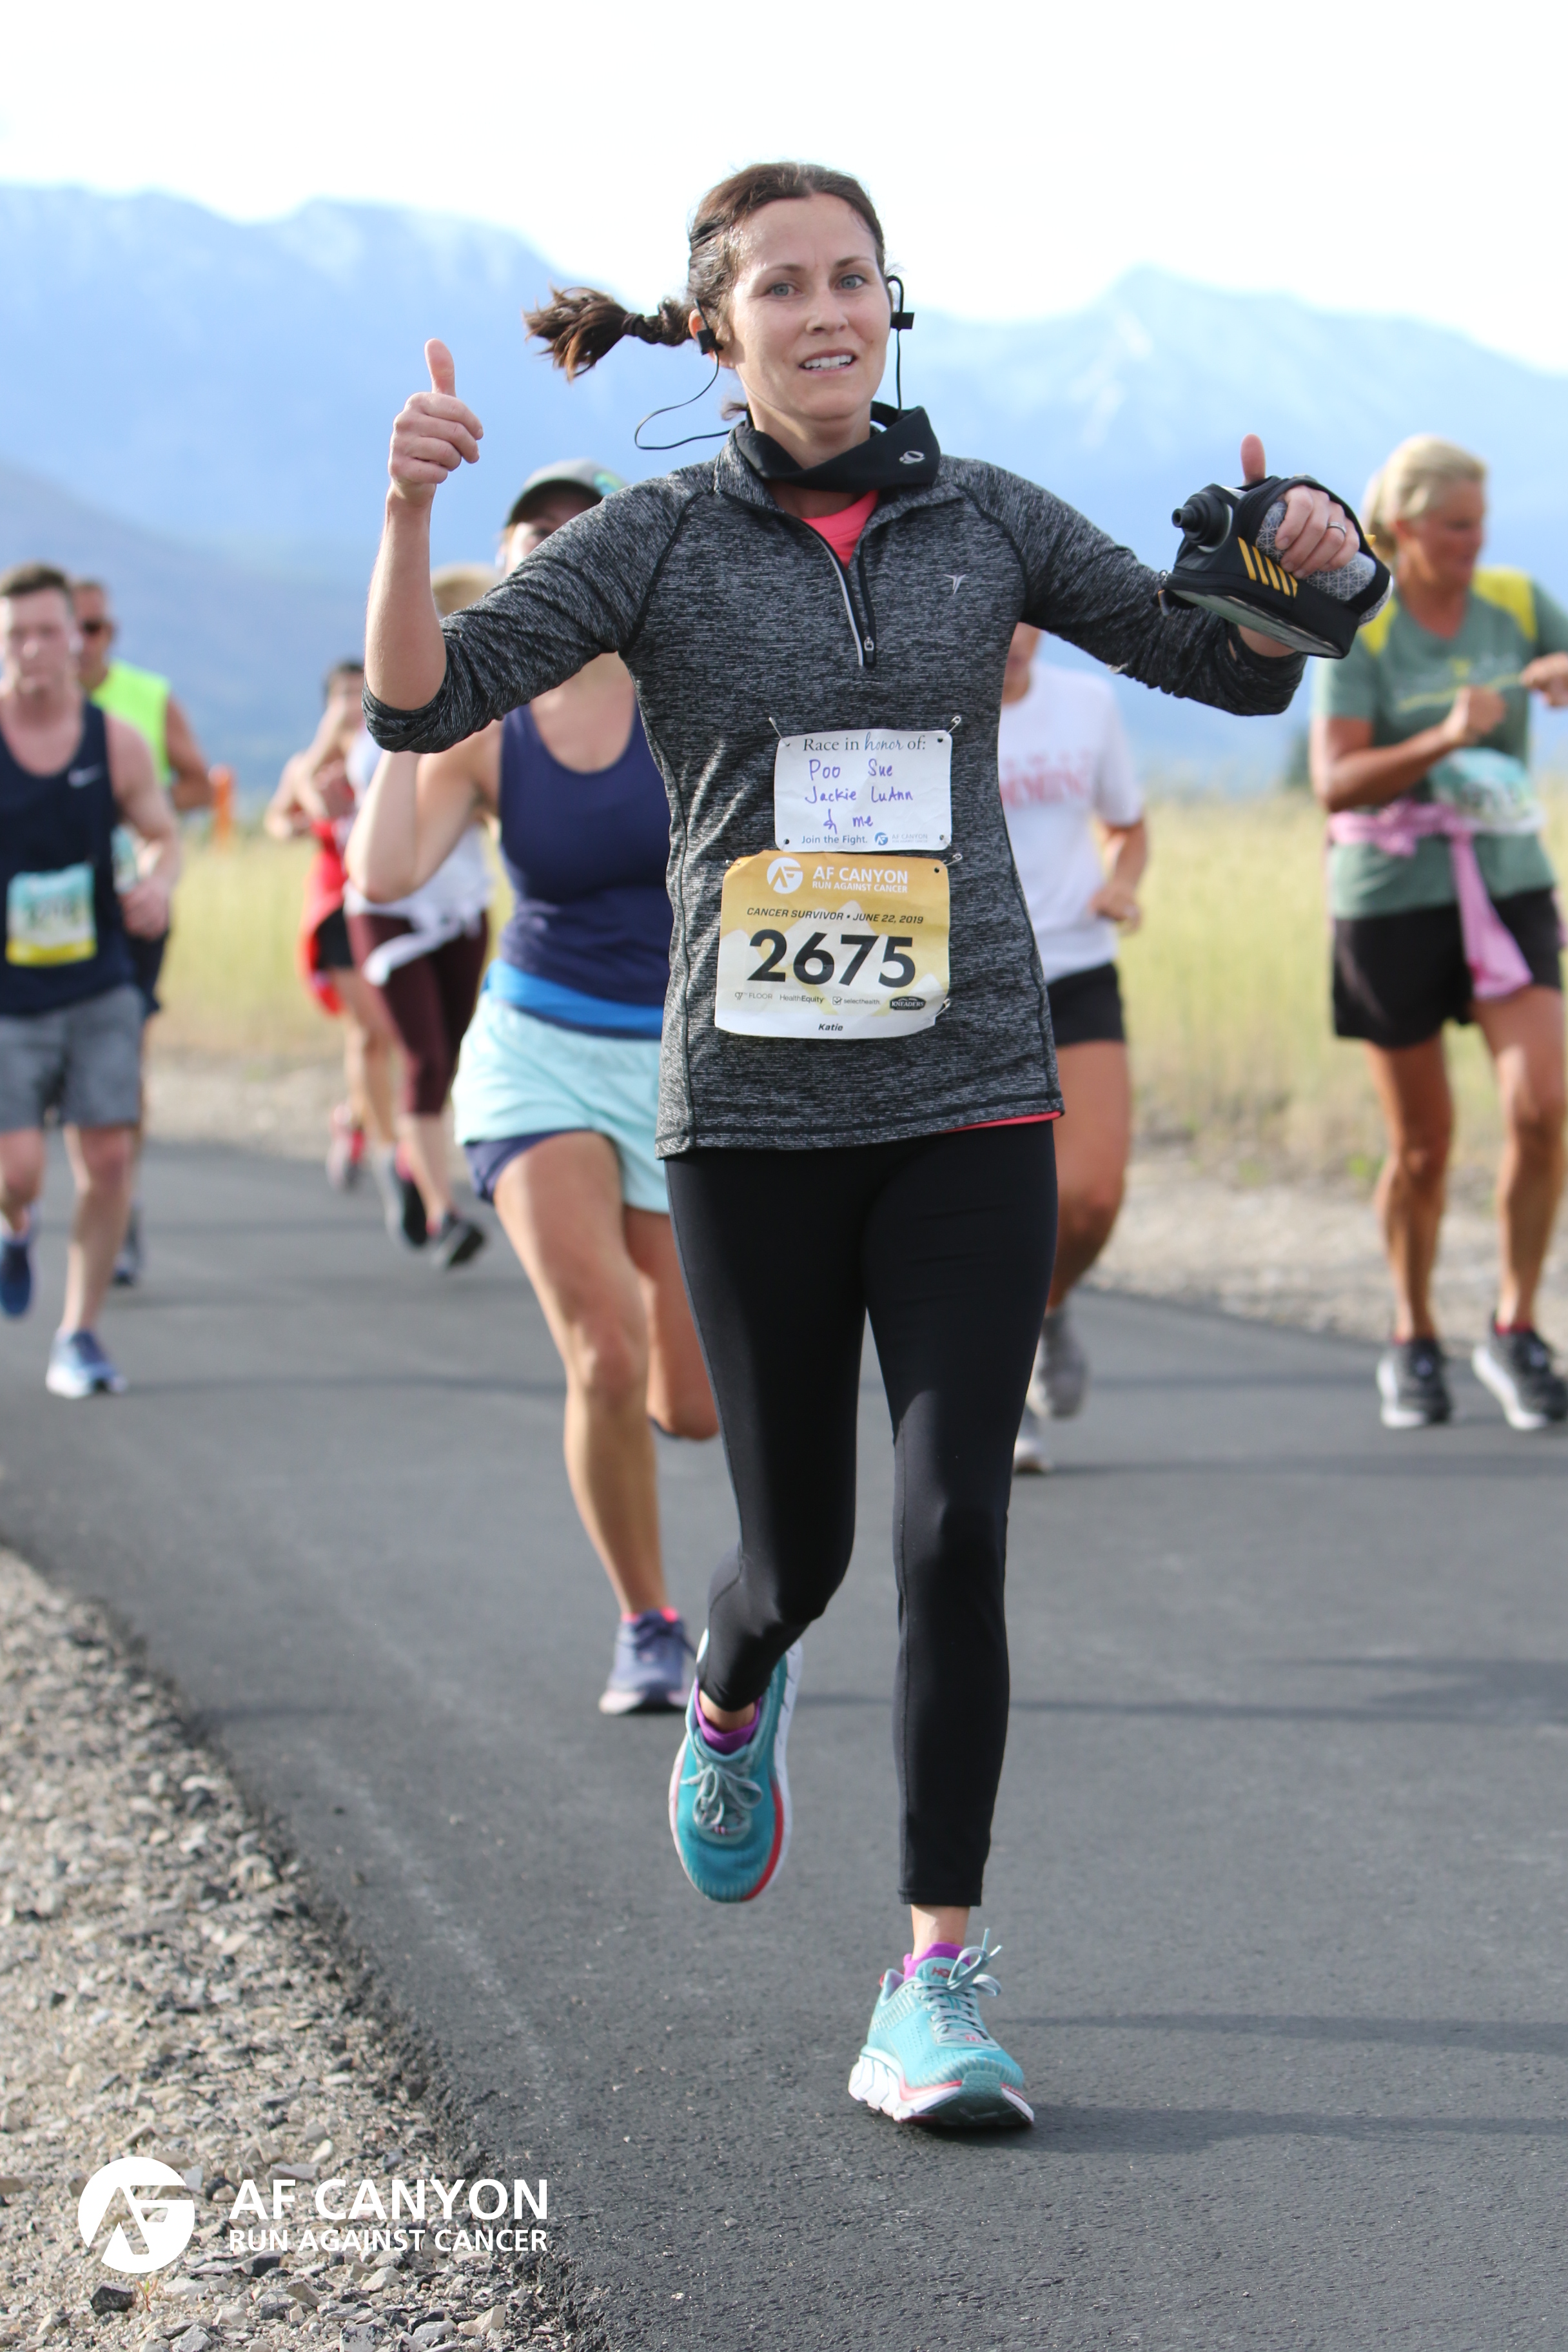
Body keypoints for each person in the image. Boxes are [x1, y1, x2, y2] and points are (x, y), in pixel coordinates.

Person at [363, 162, 1364, 2126]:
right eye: (784, 285)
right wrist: (405, 519)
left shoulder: (986, 517)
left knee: (953, 1529)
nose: (827, 311)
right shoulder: (651, 543)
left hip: (971, 1086)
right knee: (799, 1554)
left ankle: (933, 1977)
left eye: (854, 279)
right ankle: (732, 1679)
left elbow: (1223, 666)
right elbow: (421, 706)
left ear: (890, 305)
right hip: (750, 1114)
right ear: (718, 324)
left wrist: (1297, 562)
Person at [349, 461, 717, 1709]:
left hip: (682, 1064)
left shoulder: (693, 697)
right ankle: (647, 1622)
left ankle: (666, 1499)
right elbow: (384, 872)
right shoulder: (488, 726)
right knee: (604, 1355)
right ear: (506, 571)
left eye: (580, 528)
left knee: (693, 1405)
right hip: (537, 1049)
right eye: (531, 533)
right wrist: (407, 715)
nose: (555, 544)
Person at [1311, 436, 1568, 1433]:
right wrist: (1446, 737)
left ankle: (1515, 1326)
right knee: (1424, 1147)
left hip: (1507, 881)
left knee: (1544, 1106)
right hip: (1391, 896)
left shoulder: (1515, 600)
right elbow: (1336, 783)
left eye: (1481, 523)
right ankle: (1413, 1333)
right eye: (1457, 526)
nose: (1475, 542)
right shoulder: (1364, 629)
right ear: (1405, 528)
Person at [0, 563, 181, 1394]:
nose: (32, 649)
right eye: (16, 635)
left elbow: (161, 833)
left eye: (47, 631)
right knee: (17, 1172)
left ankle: (80, 1334)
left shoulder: (115, 742)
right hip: (9, 995)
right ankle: (16, 1227)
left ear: (75, 638)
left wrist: (158, 882)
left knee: (108, 1158)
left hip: (100, 980)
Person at [997, 627, 1147, 1473]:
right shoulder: (928, 698)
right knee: (999, 1205)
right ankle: (1005, 1384)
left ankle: (1045, 1307)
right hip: (973, 982)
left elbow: (1127, 826)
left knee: (1091, 1197)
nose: (1016, 638)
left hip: (1078, 966)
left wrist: (1121, 883)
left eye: (1031, 619)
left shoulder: (1086, 704)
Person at [344, 565, 495, 1270]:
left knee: (448, 1058)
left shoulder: (495, 716)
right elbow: (339, 800)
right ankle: (444, 1213)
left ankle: (410, 1159)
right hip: (387, 912)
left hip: (460, 907)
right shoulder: (381, 708)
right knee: (425, 1058)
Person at [72, 576, 213, 1287]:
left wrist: (136, 800)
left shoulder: (147, 698)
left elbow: (197, 784)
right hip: (39, 918)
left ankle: (118, 1205)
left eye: (93, 628)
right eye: (67, 627)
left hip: (130, 905)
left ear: (111, 633)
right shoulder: (18, 708)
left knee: (121, 1064)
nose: (79, 643)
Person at [264, 662, 402, 1230]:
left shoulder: (388, 754)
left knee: (391, 1031)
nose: (351, 704)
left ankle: (355, 1117)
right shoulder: (313, 766)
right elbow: (283, 814)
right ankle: (393, 1154)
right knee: (369, 1028)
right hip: (336, 911)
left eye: (359, 691)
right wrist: (299, 824)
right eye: (342, 694)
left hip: (389, 905)